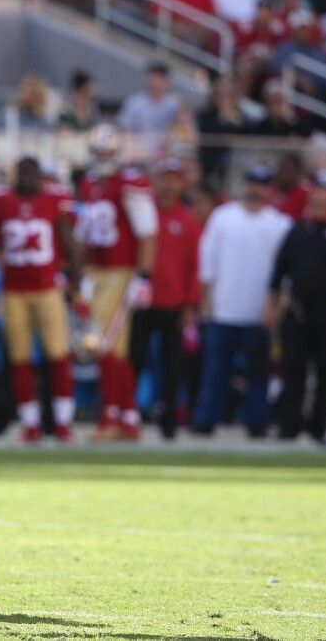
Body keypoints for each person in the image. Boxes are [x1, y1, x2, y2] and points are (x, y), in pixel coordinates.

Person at [192, 165, 291, 437]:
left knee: (258, 373)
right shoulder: (223, 218)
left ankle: (256, 421)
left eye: (261, 184)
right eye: (251, 183)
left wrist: (274, 307)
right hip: (223, 308)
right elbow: (207, 262)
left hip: (258, 311)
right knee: (215, 371)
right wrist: (205, 300)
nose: (255, 189)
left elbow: (283, 273)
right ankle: (206, 418)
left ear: (269, 189)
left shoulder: (280, 224)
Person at [0, 156, 79, 442]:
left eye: (30, 172)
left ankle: (63, 423)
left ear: (41, 176)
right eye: (20, 172)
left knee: (58, 355)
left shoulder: (55, 200)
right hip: (14, 291)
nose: (25, 177)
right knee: (19, 358)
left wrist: (76, 286)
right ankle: (31, 423)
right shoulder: (0, 201)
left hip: (48, 289)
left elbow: (69, 241)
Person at [74, 124, 157, 440]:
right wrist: (80, 273)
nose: (103, 157)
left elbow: (147, 234)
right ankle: (127, 416)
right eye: (99, 152)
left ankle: (111, 417)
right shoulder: (90, 185)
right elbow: (85, 233)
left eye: (107, 152)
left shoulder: (128, 184)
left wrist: (143, 276)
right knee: (113, 348)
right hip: (98, 272)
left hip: (121, 272)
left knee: (103, 344)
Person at [267, 170, 326, 441]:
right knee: (293, 368)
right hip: (297, 309)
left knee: (325, 371)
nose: (316, 195)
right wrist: (271, 304)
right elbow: (279, 269)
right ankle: (289, 423)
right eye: (315, 189)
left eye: (323, 190)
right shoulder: (297, 229)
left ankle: (319, 425)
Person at [130, 158, 200, 440]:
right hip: (142, 301)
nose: (168, 184)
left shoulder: (188, 221)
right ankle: (126, 415)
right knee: (133, 359)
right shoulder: (145, 215)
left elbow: (193, 266)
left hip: (173, 303)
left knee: (172, 366)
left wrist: (189, 305)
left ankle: (169, 421)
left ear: (182, 183)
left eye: (174, 178)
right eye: (164, 177)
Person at [115, 62, 182, 135]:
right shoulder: (134, 103)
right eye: (153, 78)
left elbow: (187, 133)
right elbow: (123, 127)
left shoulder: (176, 104)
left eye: (160, 78)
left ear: (167, 81)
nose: (156, 83)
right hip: (137, 144)